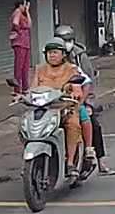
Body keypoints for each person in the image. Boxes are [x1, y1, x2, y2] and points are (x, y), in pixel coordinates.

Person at [55, 24, 115, 176]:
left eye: (68, 40)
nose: (66, 44)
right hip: (55, 101)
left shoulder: (79, 56)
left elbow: (88, 80)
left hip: (78, 99)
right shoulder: (51, 57)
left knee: (93, 124)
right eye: (62, 40)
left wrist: (88, 102)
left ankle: (100, 161)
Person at [33, 38, 94, 177]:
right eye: (49, 53)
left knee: (73, 125)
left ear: (63, 54)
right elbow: (33, 88)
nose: (52, 55)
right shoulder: (40, 69)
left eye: (55, 52)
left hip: (65, 108)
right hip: (45, 109)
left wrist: (75, 94)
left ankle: (70, 162)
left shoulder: (72, 69)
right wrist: (23, 96)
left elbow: (78, 88)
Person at [9, 0, 32, 91]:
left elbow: (29, 25)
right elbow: (15, 22)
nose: (25, 7)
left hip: (25, 42)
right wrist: (19, 31)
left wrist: (27, 11)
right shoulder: (17, 12)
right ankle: (17, 88)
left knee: (25, 66)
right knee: (19, 66)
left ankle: (25, 87)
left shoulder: (23, 14)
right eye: (25, 5)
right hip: (20, 42)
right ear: (21, 5)